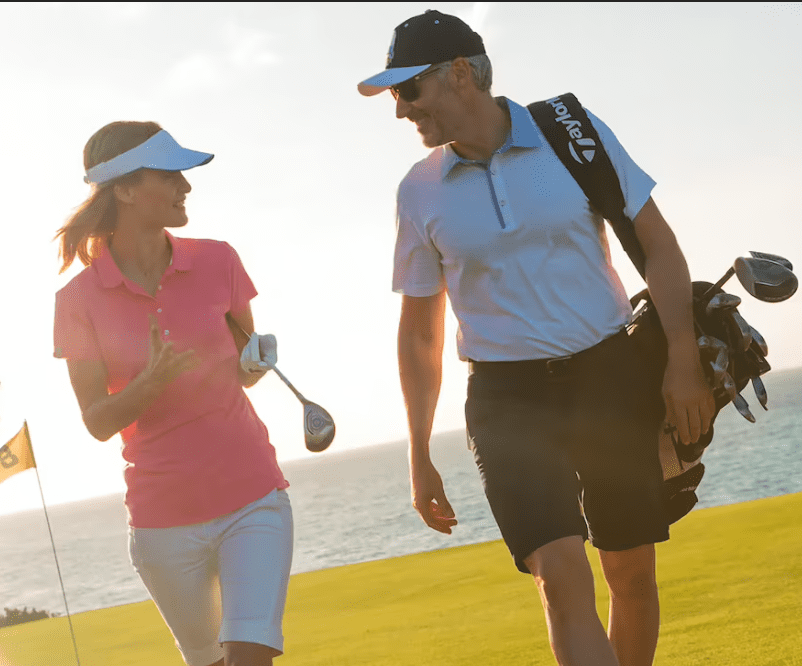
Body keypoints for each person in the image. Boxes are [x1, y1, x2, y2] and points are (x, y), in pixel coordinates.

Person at [358, 10, 715, 666]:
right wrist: (417, 454)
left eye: (408, 90)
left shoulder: (575, 136)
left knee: (631, 575)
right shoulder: (418, 192)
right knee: (560, 577)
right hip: (504, 398)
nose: (401, 111)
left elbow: (659, 247)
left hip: (607, 377)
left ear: (460, 74)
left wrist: (683, 360)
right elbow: (418, 336)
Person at [53, 121, 292, 666]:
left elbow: (241, 365)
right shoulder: (77, 300)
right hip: (163, 518)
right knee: (206, 659)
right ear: (126, 189)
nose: (187, 187)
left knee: (250, 655)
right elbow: (96, 421)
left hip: (252, 494)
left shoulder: (218, 260)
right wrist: (152, 382)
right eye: (171, 175)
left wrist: (255, 362)